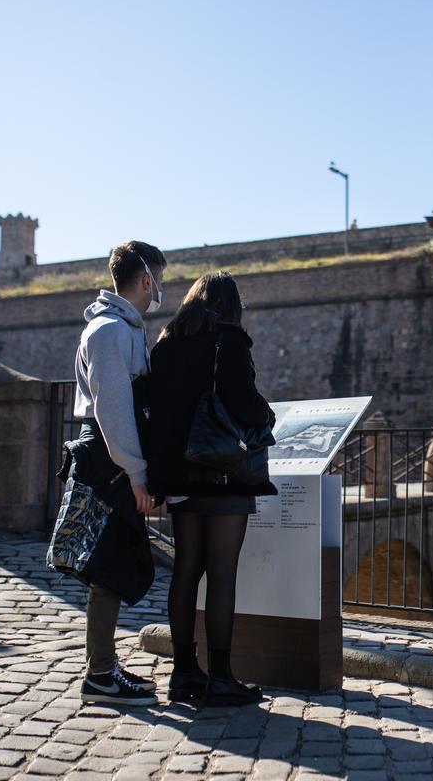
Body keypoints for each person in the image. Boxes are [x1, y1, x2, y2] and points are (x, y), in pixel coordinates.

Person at [148, 271, 277, 706]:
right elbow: (244, 404)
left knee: (186, 570)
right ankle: (221, 675)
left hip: (180, 476)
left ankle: (183, 671)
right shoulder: (229, 341)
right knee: (221, 573)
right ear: (232, 305)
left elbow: (156, 408)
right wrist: (266, 414)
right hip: (222, 473)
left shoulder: (165, 342)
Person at [74, 240, 167, 706]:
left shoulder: (118, 328)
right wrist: (136, 472)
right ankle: (100, 675)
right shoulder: (110, 332)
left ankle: (103, 667)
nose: (160, 290)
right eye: (159, 279)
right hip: (111, 459)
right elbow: (114, 411)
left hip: (113, 456)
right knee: (108, 566)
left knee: (111, 564)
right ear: (146, 278)